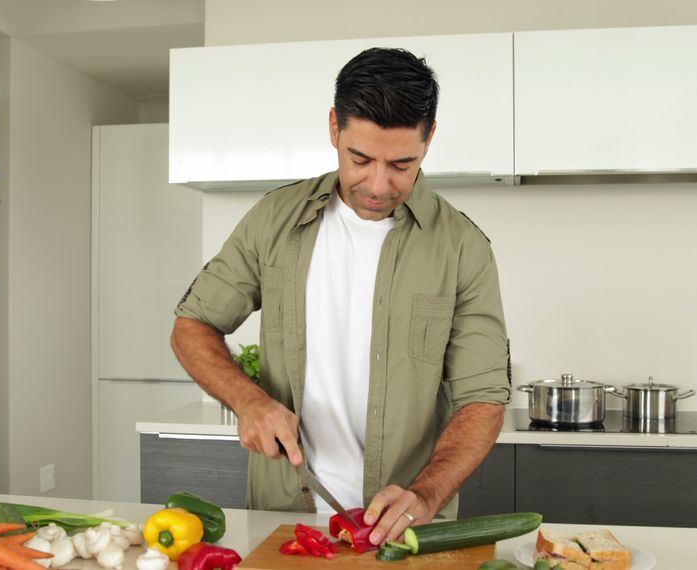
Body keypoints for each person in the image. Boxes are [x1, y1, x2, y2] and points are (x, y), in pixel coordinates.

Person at [170, 47, 511, 546]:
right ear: (334, 127)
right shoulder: (273, 220)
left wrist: (426, 494)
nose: (378, 184)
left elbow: (482, 398)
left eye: (401, 164)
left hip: (408, 528)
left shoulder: (463, 247)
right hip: (285, 516)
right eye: (360, 158)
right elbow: (191, 325)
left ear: (429, 139)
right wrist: (248, 401)